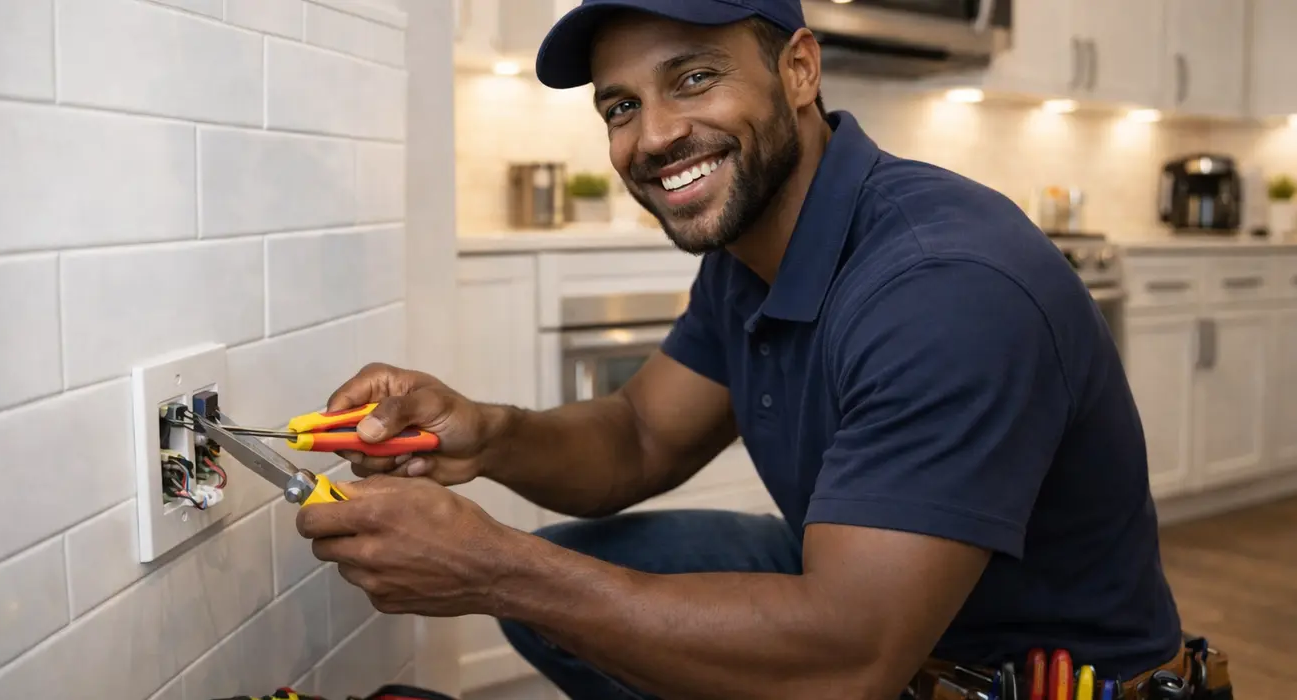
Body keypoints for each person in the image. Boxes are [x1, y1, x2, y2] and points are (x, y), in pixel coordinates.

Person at [294, 0, 1191, 697]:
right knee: (583, 574)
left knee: (548, 585)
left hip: (1021, 678)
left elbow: (848, 666)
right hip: (894, 635)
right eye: (621, 105)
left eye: (692, 79)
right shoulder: (755, 248)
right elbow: (639, 436)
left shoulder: (943, 286)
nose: (652, 137)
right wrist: (484, 434)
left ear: (799, 70)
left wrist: (494, 568)